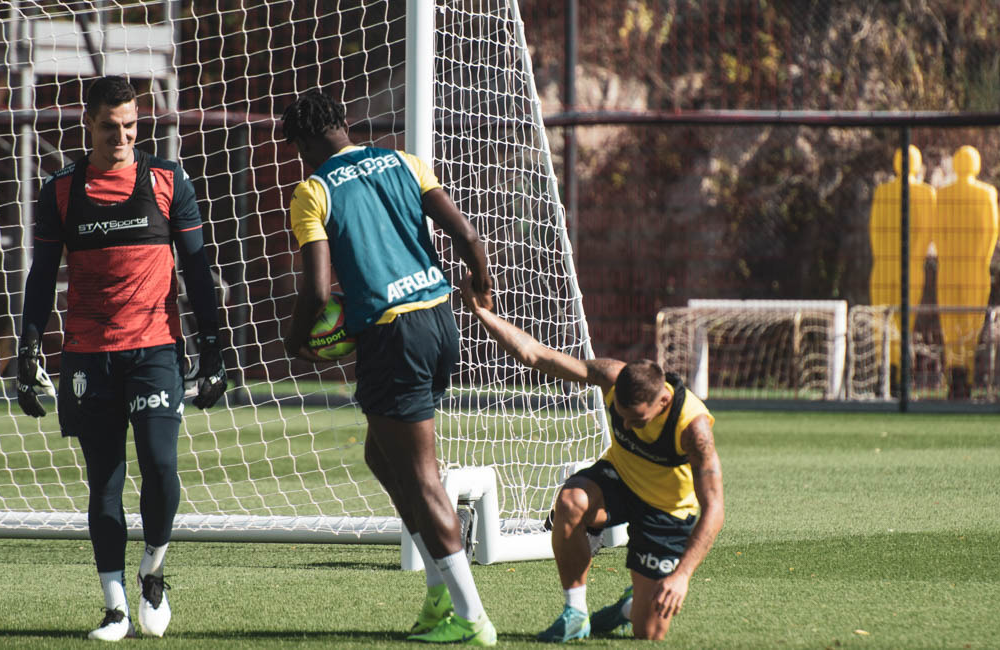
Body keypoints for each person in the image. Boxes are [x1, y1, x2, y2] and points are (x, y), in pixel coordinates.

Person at [279, 89, 496, 645]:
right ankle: (439, 594)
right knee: (382, 456)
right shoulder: (404, 161)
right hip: (439, 322)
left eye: (297, 148)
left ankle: (471, 618)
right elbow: (469, 237)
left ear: (305, 142)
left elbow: (317, 290)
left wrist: (295, 341)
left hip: (391, 334)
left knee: (422, 478)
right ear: (342, 123)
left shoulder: (313, 190)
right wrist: (481, 285)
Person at [14, 75, 227, 641]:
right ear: (88, 124)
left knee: (160, 466)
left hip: (155, 348)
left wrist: (213, 346)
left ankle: (152, 572)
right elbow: (42, 276)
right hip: (88, 356)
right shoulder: (62, 190)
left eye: (131, 126)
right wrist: (27, 348)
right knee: (104, 482)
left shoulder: (167, 180)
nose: (122, 137)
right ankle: (115, 609)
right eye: (110, 127)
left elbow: (197, 268)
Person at [459, 276, 724, 642]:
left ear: (663, 401)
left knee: (649, 632)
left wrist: (681, 576)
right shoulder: (612, 376)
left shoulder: (693, 429)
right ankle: (575, 613)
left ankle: (630, 608)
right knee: (570, 502)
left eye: (637, 420)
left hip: (668, 511)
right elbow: (537, 355)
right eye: (622, 417)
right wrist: (481, 313)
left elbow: (715, 509)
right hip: (620, 481)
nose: (627, 426)